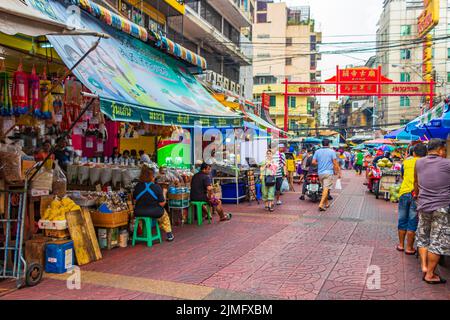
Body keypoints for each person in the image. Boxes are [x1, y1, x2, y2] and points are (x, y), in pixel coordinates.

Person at [414, 139, 450, 285]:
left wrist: (417, 194)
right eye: (445, 150)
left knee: (423, 237)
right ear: (441, 149)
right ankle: (430, 274)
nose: (445, 153)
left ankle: (424, 266)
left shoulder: (419, 162)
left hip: (423, 205)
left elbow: (416, 183)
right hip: (442, 207)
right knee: (438, 241)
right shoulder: (447, 163)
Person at [396, 143, 427, 255]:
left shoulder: (406, 162)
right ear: (426, 153)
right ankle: (409, 248)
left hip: (404, 192)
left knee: (402, 219)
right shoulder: (425, 163)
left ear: (413, 153)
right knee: (412, 221)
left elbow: (403, 176)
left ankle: (400, 245)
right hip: (417, 194)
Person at [132, 165, 174, 242]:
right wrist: (164, 192)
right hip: (154, 212)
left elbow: (134, 200)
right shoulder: (156, 187)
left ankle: (144, 233)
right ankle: (169, 234)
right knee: (164, 216)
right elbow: (162, 204)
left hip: (139, 212)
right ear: (151, 177)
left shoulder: (137, 186)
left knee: (143, 218)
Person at [312, 139, 341, 212]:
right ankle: (321, 204)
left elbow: (313, 162)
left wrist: (320, 163)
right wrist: (338, 172)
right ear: (329, 144)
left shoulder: (317, 151)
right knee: (326, 188)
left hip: (320, 173)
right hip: (328, 173)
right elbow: (335, 163)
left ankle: (327, 203)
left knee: (325, 188)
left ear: (322, 144)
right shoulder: (332, 152)